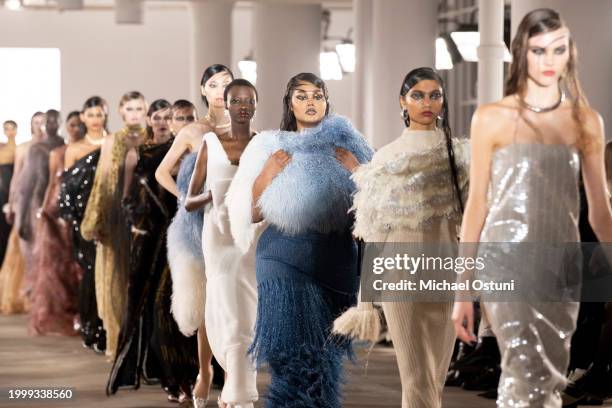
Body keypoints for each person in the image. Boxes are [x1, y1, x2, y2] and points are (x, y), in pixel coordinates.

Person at [452, 9, 612, 408]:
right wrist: (462, 288)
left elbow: (600, 212)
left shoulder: (586, 121)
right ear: (521, 53)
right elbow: (477, 206)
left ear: (568, 54)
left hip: (563, 268)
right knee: (524, 370)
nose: (548, 61)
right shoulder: (491, 118)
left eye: (558, 50)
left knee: (549, 378)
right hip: (505, 263)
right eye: (538, 50)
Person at [226, 72, 373, 407]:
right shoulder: (269, 145)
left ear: (326, 101)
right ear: (289, 104)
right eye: (302, 95)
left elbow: (381, 204)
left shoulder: (351, 143)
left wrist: (358, 171)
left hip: (337, 265)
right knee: (294, 360)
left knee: (325, 362)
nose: (310, 102)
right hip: (284, 262)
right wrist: (266, 175)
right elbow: (247, 213)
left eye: (317, 95)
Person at [335, 67, 469, 408]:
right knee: (415, 378)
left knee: (435, 380)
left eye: (434, 95)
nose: (427, 102)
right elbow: (372, 231)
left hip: (447, 271)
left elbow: (473, 222)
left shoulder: (460, 155)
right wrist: (366, 301)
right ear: (403, 101)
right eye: (418, 95)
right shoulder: (386, 158)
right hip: (401, 273)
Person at [156, 65, 234, 402]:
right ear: (203, 90)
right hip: (196, 223)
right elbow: (162, 172)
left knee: (231, 299)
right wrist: (185, 198)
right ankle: (206, 371)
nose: (220, 90)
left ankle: (233, 374)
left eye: (226, 84)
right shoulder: (192, 131)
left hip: (231, 223)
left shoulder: (247, 130)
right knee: (205, 301)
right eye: (213, 85)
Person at [185, 79, 259, 408]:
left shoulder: (263, 145)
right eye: (236, 100)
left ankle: (238, 384)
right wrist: (213, 196)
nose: (243, 106)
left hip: (251, 232)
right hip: (216, 234)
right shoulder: (210, 143)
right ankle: (231, 379)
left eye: (249, 100)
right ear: (225, 105)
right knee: (224, 301)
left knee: (247, 304)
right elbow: (189, 201)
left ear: (256, 105)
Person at [81, 91, 147, 360]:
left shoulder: (152, 138)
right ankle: (117, 342)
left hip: (144, 218)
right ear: (121, 111)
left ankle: (142, 346)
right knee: (114, 281)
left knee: (141, 280)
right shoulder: (112, 141)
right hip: (116, 218)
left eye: (138, 109)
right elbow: (102, 182)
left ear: (144, 110)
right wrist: (96, 220)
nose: (134, 114)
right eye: (129, 109)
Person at [59, 96, 109, 352]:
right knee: (90, 271)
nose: (95, 120)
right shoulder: (74, 149)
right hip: (83, 218)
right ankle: (92, 327)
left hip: (111, 214)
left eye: (99, 114)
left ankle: (111, 326)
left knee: (112, 271)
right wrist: (71, 219)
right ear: (83, 118)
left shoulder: (114, 143)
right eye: (90, 115)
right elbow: (66, 187)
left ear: (106, 116)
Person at [28, 111, 84, 336]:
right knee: (58, 262)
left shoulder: (88, 149)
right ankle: (63, 311)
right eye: (72, 124)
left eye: (78, 124)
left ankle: (80, 311)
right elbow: (51, 183)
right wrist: (43, 209)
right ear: (66, 126)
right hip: (56, 210)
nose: (75, 128)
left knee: (77, 262)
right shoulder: (57, 152)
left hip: (79, 210)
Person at [18, 110, 66, 297]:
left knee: (59, 256)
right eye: (49, 122)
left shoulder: (65, 145)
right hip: (37, 206)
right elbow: (26, 186)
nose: (52, 125)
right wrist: (22, 218)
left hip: (59, 205)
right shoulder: (35, 149)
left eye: (55, 121)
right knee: (39, 254)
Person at [0, 112, 44, 314]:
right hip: (25, 202)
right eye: (36, 122)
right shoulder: (23, 148)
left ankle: (41, 297)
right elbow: (17, 177)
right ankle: (25, 296)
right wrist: (11, 202)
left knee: (42, 248)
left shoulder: (56, 146)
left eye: (42, 122)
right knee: (23, 247)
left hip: (44, 201)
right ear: (31, 125)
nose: (40, 126)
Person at [0, 120, 17, 262]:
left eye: (12, 129)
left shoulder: (20, 149)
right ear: (4, 131)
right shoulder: (1, 148)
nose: (10, 131)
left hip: (14, 189)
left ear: (16, 131)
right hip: (2, 190)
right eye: (7, 129)